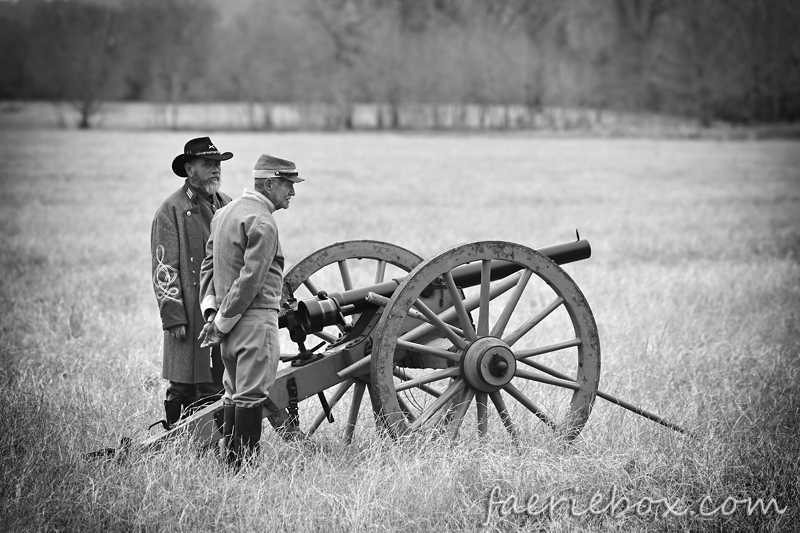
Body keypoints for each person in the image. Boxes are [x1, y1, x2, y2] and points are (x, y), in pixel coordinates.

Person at [199, 153, 302, 466]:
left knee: (234, 394)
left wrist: (212, 314)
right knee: (250, 396)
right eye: (287, 184)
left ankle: (232, 466)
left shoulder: (225, 213)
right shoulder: (262, 221)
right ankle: (242, 468)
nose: (292, 192)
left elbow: (207, 266)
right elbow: (251, 279)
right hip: (254, 322)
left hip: (227, 330)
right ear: (269, 183)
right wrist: (224, 321)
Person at [150, 137, 233, 429]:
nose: (215, 170)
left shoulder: (227, 205)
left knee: (217, 381)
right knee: (183, 383)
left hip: (221, 309)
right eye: (207, 164)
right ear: (189, 169)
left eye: (217, 164)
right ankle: (177, 440)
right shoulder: (170, 210)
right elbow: (164, 269)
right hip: (188, 310)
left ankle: (210, 441)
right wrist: (173, 317)